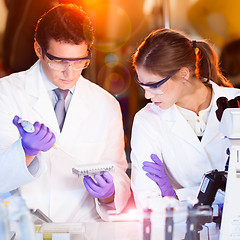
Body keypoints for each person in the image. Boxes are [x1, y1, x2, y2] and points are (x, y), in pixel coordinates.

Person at [0, 4, 131, 222]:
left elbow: (118, 173)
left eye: (80, 61)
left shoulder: (105, 104)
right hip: (21, 229)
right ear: (38, 50)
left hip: (83, 230)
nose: (70, 72)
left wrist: (109, 193)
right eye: (59, 61)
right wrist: (24, 151)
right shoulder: (6, 93)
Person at [130, 28, 240, 210]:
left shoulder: (236, 104)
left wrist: (176, 195)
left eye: (154, 85)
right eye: (142, 84)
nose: (147, 95)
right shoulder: (147, 120)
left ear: (183, 74)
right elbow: (147, 203)